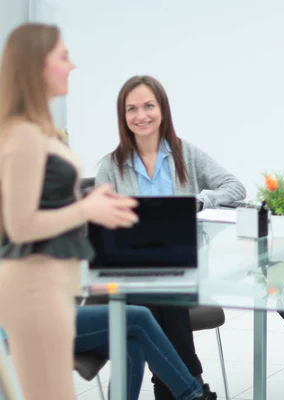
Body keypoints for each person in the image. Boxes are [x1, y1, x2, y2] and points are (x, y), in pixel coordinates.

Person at [0, 23, 138, 400]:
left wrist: (91, 208)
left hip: (50, 285)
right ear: (36, 66)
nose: (72, 66)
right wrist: (86, 207)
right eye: (63, 57)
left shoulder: (37, 130)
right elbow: (21, 224)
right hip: (32, 287)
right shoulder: (24, 135)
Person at [96, 75, 246, 399]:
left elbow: (235, 187)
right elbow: (98, 229)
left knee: (165, 286)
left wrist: (201, 200)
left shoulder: (184, 154)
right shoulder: (110, 166)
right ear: (123, 116)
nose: (141, 115)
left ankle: (175, 386)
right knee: (155, 290)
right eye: (131, 109)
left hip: (183, 271)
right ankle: (191, 385)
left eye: (148, 105)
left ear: (162, 109)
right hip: (129, 276)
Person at [75, 305, 215, 400]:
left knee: (132, 349)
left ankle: (182, 388)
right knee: (140, 317)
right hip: (57, 319)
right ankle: (190, 393)